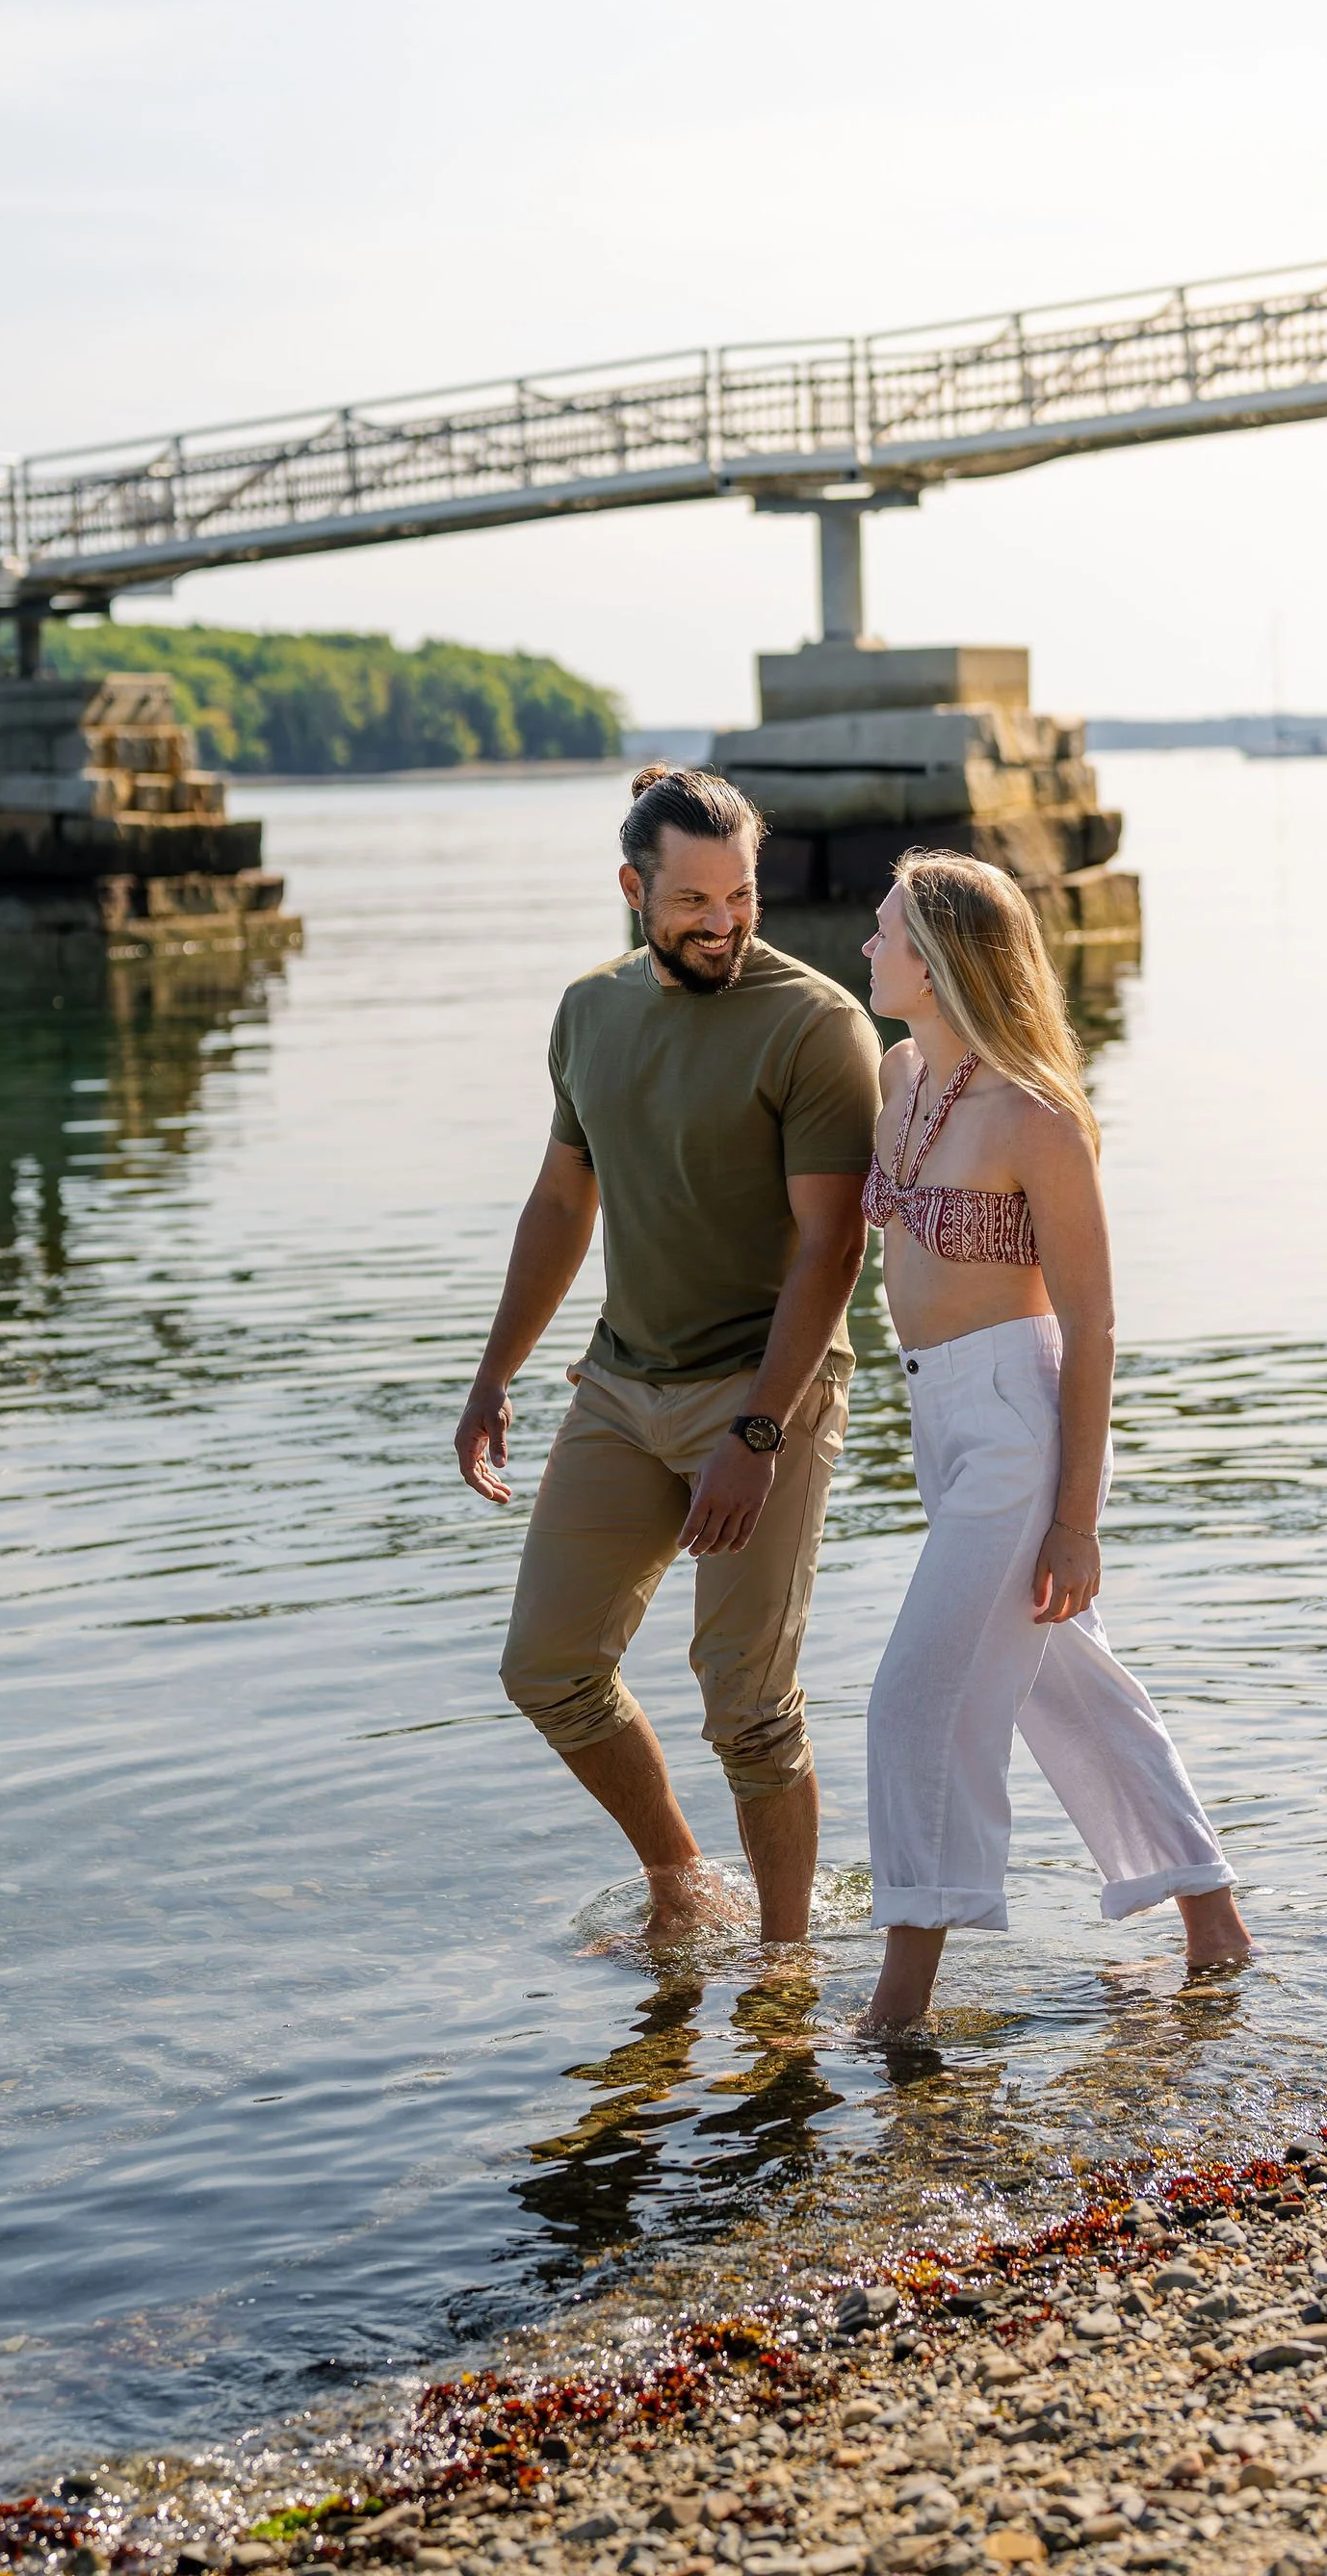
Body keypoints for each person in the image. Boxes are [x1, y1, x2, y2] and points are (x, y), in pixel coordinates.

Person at [455, 764, 881, 1945]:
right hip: (618, 1386)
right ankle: (682, 1880)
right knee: (547, 1666)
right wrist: (494, 1377)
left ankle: (785, 1963)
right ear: (634, 889)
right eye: (692, 900)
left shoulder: (813, 1025)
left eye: (738, 895)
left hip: (763, 1391)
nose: (722, 924)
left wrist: (757, 1434)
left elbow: (831, 1247)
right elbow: (557, 1205)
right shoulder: (587, 1012)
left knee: (747, 1710)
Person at [857, 850, 1249, 2029]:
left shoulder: (1035, 1116)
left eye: (883, 933)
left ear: (933, 961)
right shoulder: (896, 1076)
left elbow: (1091, 1324)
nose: (866, 949)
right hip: (939, 1414)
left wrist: (1075, 1522)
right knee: (1064, 1687)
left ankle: (901, 1998)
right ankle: (1210, 1917)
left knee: (913, 1699)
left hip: (1023, 1423)